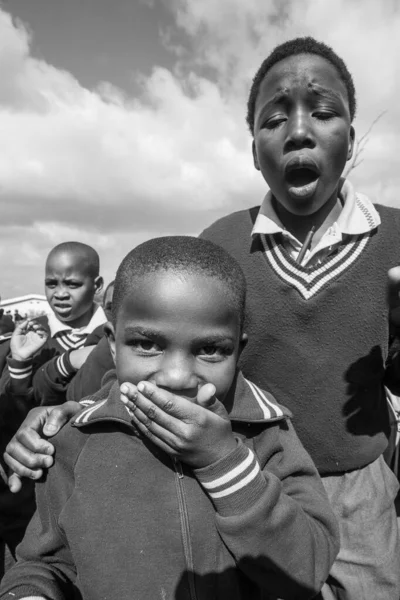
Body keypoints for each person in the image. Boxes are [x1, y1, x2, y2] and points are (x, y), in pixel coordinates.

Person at [4, 37, 400, 598]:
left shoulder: (397, 241)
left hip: (352, 487)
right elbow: (142, 350)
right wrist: (62, 415)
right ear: (253, 148)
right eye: (274, 119)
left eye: (324, 111)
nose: (300, 130)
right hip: (225, 466)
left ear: (351, 137)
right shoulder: (219, 246)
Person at [0, 236, 339, 600]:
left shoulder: (267, 432)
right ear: (113, 344)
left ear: (238, 351)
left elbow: (307, 570)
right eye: (147, 344)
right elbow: (48, 563)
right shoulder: (78, 439)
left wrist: (224, 462)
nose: (176, 377)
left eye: (210, 350)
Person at [0, 241, 106, 407]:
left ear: (97, 285)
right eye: (51, 284)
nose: (60, 294)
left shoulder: (116, 333)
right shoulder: (29, 335)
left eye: (72, 284)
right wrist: (20, 362)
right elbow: (11, 414)